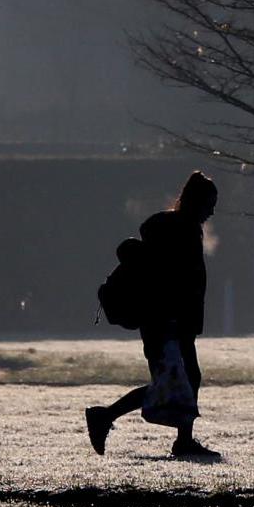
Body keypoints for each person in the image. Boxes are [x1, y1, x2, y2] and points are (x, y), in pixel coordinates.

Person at [86, 171, 218, 459]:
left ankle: (182, 439)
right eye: (210, 203)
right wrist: (174, 318)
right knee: (175, 381)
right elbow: (171, 283)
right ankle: (105, 416)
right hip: (167, 323)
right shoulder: (180, 232)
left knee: (186, 378)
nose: (213, 210)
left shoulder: (182, 229)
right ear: (197, 202)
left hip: (172, 322)